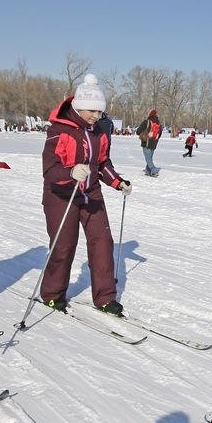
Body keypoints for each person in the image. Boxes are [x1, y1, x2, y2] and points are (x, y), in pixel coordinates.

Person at [40, 74, 130, 315]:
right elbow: (49, 168)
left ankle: (105, 297)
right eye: (91, 110)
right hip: (61, 194)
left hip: (91, 193)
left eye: (99, 112)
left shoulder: (100, 131)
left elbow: (102, 163)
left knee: (102, 243)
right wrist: (70, 172)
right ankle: (52, 293)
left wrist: (117, 182)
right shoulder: (60, 130)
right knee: (63, 245)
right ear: (79, 106)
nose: (95, 116)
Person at [135, 109, 163, 176]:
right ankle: (148, 171)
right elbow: (160, 134)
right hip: (154, 143)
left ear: (149, 114)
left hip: (146, 142)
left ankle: (153, 170)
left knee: (148, 158)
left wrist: (143, 134)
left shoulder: (146, 122)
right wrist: (155, 139)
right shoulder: (159, 123)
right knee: (149, 158)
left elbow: (138, 131)